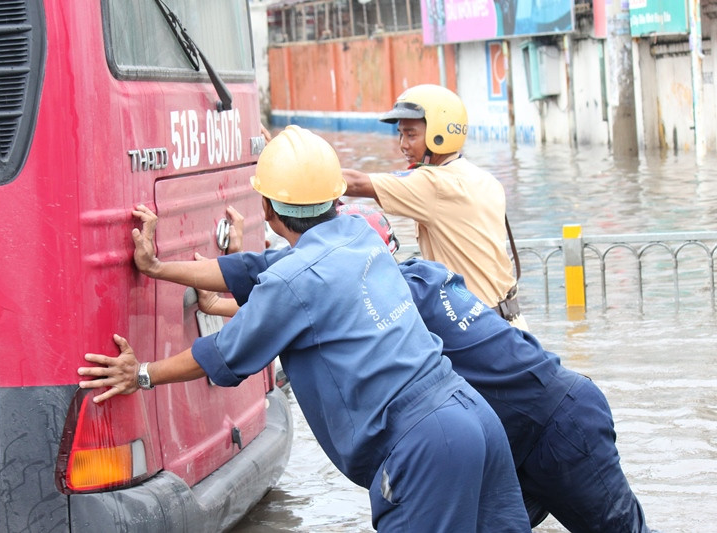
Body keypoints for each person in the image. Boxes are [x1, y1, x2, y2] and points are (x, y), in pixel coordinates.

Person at [78, 125, 531, 532]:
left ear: (268, 210)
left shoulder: (293, 283)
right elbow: (252, 268)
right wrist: (158, 268)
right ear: (336, 200)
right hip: (474, 415)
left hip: (428, 446)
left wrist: (141, 374)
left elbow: (220, 353)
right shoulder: (357, 234)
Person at [210, 203, 657, 533]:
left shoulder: (393, 297)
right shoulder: (418, 277)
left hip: (559, 425)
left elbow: (301, 303)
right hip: (506, 433)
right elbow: (292, 291)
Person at [341, 84, 528, 330]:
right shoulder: (482, 178)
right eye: (400, 134)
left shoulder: (434, 183)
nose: (403, 145)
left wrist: (293, 175)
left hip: (477, 328)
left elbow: (355, 183)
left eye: (411, 135)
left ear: (439, 134)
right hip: (512, 322)